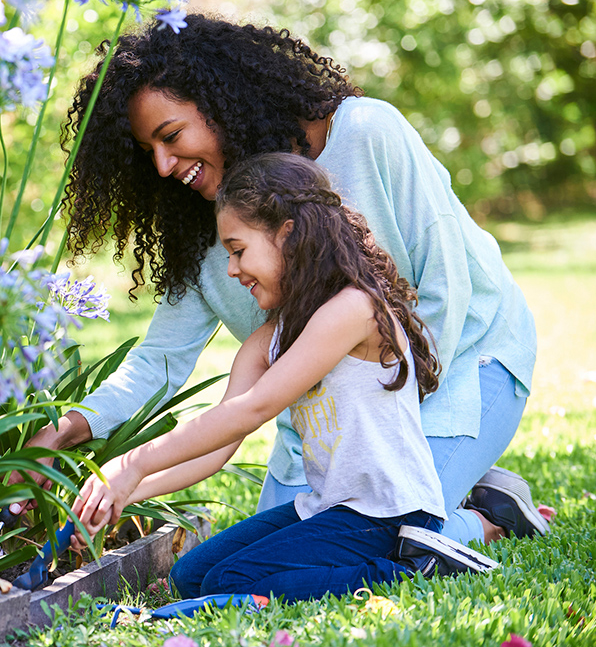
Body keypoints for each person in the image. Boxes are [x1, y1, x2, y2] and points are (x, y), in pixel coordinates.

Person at [16, 14, 546, 546]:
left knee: (383, 534)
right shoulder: (209, 234)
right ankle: (466, 490)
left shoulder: (364, 133)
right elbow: (158, 361)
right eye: (147, 151)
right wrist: (67, 429)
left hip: (461, 367)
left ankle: (486, 519)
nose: (161, 165)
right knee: (272, 546)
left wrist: (387, 441)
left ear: (221, 102)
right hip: (327, 423)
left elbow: (446, 289)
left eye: (171, 136)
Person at [72, 153, 498, 602]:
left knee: (229, 583)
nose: (232, 269)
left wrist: (132, 463)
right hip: (328, 509)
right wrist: (125, 492)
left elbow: (253, 410)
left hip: (389, 515)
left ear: (287, 235)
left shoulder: (354, 309)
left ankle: (421, 569)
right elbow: (218, 443)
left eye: (238, 250)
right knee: (190, 577)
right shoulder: (269, 338)